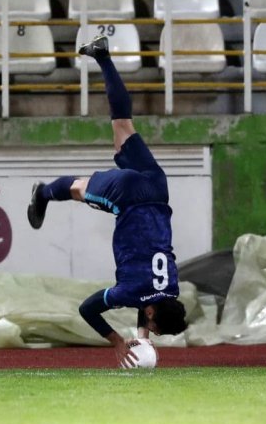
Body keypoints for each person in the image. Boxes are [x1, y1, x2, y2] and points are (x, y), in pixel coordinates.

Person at [26, 34, 188, 367]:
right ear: (154, 312)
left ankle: (102, 56)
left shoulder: (171, 287)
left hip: (158, 190)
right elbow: (88, 308)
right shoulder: (130, 295)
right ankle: (42, 192)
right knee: (77, 189)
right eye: (154, 328)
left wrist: (142, 338)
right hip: (127, 197)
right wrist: (117, 341)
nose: (152, 330)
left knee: (123, 126)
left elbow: (149, 302)